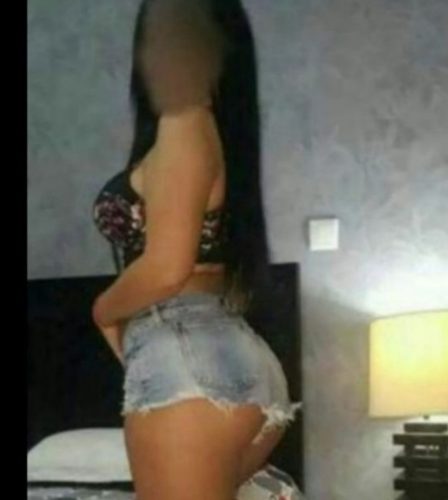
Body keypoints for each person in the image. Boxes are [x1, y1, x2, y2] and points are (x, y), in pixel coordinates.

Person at [91, 1, 301, 498]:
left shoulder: (184, 126)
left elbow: (167, 268)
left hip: (188, 359)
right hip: (219, 355)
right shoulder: (210, 133)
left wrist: (102, 310)